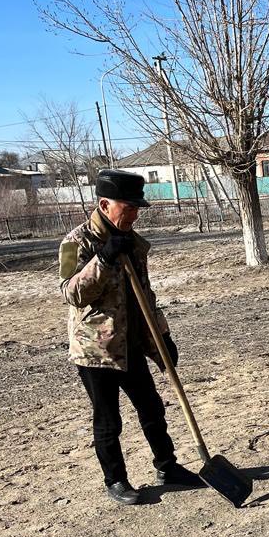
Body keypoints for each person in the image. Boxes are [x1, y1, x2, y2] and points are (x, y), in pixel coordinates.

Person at [59, 169, 200, 505]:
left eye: (138, 208)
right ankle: (116, 480)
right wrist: (103, 259)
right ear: (105, 204)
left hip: (132, 344)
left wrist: (162, 339)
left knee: (152, 408)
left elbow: (145, 298)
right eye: (129, 207)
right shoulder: (73, 242)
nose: (135, 214)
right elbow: (70, 293)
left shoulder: (135, 244)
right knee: (109, 421)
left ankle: (168, 467)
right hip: (97, 350)